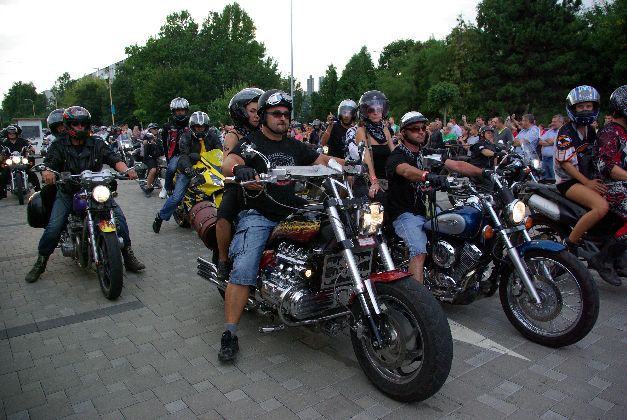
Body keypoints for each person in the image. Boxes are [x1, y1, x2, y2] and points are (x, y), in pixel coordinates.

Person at [217, 89, 343, 362]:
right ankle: (229, 333)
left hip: (294, 213)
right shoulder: (251, 143)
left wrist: (350, 166)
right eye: (276, 113)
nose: (282, 118)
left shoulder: (295, 146)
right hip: (259, 214)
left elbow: (321, 160)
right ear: (263, 116)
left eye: (286, 114)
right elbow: (229, 162)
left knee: (330, 242)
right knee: (244, 268)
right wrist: (240, 169)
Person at [24, 106, 144, 283]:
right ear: (68, 125)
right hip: (68, 190)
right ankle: (41, 262)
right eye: (75, 124)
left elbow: (113, 158)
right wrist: (47, 172)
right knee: (54, 226)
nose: (80, 127)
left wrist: (127, 170)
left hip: (95, 190)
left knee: (119, 218)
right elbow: (49, 163)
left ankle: (127, 254)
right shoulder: (59, 144)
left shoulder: (97, 143)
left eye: (83, 124)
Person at [387, 111, 484, 282]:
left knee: (461, 226)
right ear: (403, 133)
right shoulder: (397, 155)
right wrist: (427, 176)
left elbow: (457, 165)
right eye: (415, 128)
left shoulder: (427, 153)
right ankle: (417, 298)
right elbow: (406, 170)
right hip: (405, 213)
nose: (421, 131)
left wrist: (484, 173)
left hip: (429, 208)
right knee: (419, 251)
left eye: (423, 128)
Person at [215, 87, 264, 282]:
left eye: (259, 111)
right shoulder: (233, 135)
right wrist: (238, 170)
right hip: (237, 185)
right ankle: (222, 260)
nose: (257, 115)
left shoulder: (264, 132)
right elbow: (226, 163)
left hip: (263, 184)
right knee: (224, 215)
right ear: (240, 112)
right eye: (252, 111)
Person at [554, 85, 609, 254]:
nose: (585, 110)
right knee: (601, 207)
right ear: (572, 108)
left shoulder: (590, 130)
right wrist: (587, 183)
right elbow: (566, 164)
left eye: (588, 106)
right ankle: (569, 245)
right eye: (580, 106)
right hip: (569, 181)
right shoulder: (565, 132)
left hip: (586, 178)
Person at [153, 111, 221, 233]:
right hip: (190, 168)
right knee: (176, 197)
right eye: (197, 127)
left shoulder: (213, 136)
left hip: (209, 168)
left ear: (206, 127)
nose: (200, 129)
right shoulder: (186, 137)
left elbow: (220, 153)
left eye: (202, 127)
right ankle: (160, 217)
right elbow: (183, 156)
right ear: (192, 127)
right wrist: (188, 169)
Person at [590, 85, 627, 285]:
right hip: (609, 186)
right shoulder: (610, 132)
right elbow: (607, 166)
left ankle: (620, 258)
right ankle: (603, 259)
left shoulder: (624, 132)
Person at [355, 90, 395, 198]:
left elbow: (395, 154)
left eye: (379, 109)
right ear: (365, 112)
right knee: (381, 199)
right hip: (368, 180)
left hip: (387, 180)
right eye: (371, 110)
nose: (375, 112)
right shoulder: (361, 131)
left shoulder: (385, 130)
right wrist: (374, 181)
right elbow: (366, 159)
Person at [160, 97, 190, 199]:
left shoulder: (191, 124)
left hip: (191, 152)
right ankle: (166, 187)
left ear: (186, 111)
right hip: (176, 154)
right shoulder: (168, 126)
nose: (180, 112)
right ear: (173, 111)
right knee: (171, 168)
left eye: (182, 110)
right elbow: (165, 144)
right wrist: (168, 158)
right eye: (177, 110)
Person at [1, 124, 41, 194]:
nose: (12, 134)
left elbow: (30, 147)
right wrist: (2, 153)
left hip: (22, 161)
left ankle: (38, 191)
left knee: (32, 174)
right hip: (9, 162)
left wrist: (31, 150)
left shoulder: (22, 141)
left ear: (16, 133)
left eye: (13, 133)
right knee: (3, 175)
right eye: (10, 133)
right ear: (7, 134)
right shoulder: (4, 142)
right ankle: (2, 193)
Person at [538, 115, 563, 181]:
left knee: (555, 179)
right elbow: (540, 141)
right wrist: (550, 142)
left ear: (561, 122)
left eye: (554, 122)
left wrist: (548, 141)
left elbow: (552, 141)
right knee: (543, 180)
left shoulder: (563, 131)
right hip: (545, 159)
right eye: (552, 121)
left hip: (554, 160)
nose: (552, 123)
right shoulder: (549, 131)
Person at [140, 129, 163, 196]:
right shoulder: (148, 135)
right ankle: (148, 187)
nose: (156, 129)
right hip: (149, 157)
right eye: (154, 128)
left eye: (157, 128)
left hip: (159, 157)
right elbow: (144, 143)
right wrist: (148, 142)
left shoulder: (160, 137)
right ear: (150, 129)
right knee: (153, 170)